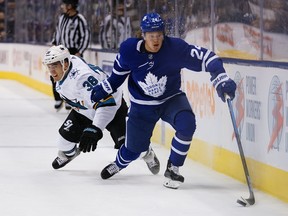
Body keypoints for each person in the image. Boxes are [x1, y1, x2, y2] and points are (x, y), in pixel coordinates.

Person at [89, 12, 237, 189]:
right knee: (132, 152)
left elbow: (208, 57)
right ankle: (119, 164)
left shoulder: (175, 48)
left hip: (171, 99)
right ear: (143, 35)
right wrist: (103, 89)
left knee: (187, 124)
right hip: (142, 107)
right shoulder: (129, 51)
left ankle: (173, 168)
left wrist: (220, 77)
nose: (156, 40)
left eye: (159, 35)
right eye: (151, 36)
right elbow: (116, 78)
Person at [43, 45, 159, 173]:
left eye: (55, 66)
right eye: (49, 66)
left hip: (113, 107)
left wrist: (95, 128)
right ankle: (70, 155)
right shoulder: (68, 62)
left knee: (129, 147)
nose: (52, 71)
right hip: (84, 109)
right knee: (63, 144)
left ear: (65, 64)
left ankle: (147, 153)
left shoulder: (82, 78)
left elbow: (106, 103)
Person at [51, 0, 90, 111]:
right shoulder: (61, 17)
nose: (62, 6)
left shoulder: (80, 19)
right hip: (59, 51)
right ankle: (58, 98)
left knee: (72, 75)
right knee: (55, 73)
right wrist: (54, 43)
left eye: (64, 4)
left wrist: (79, 51)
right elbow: (57, 32)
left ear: (70, 6)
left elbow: (85, 35)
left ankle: (70, 99)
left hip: (72, 51)